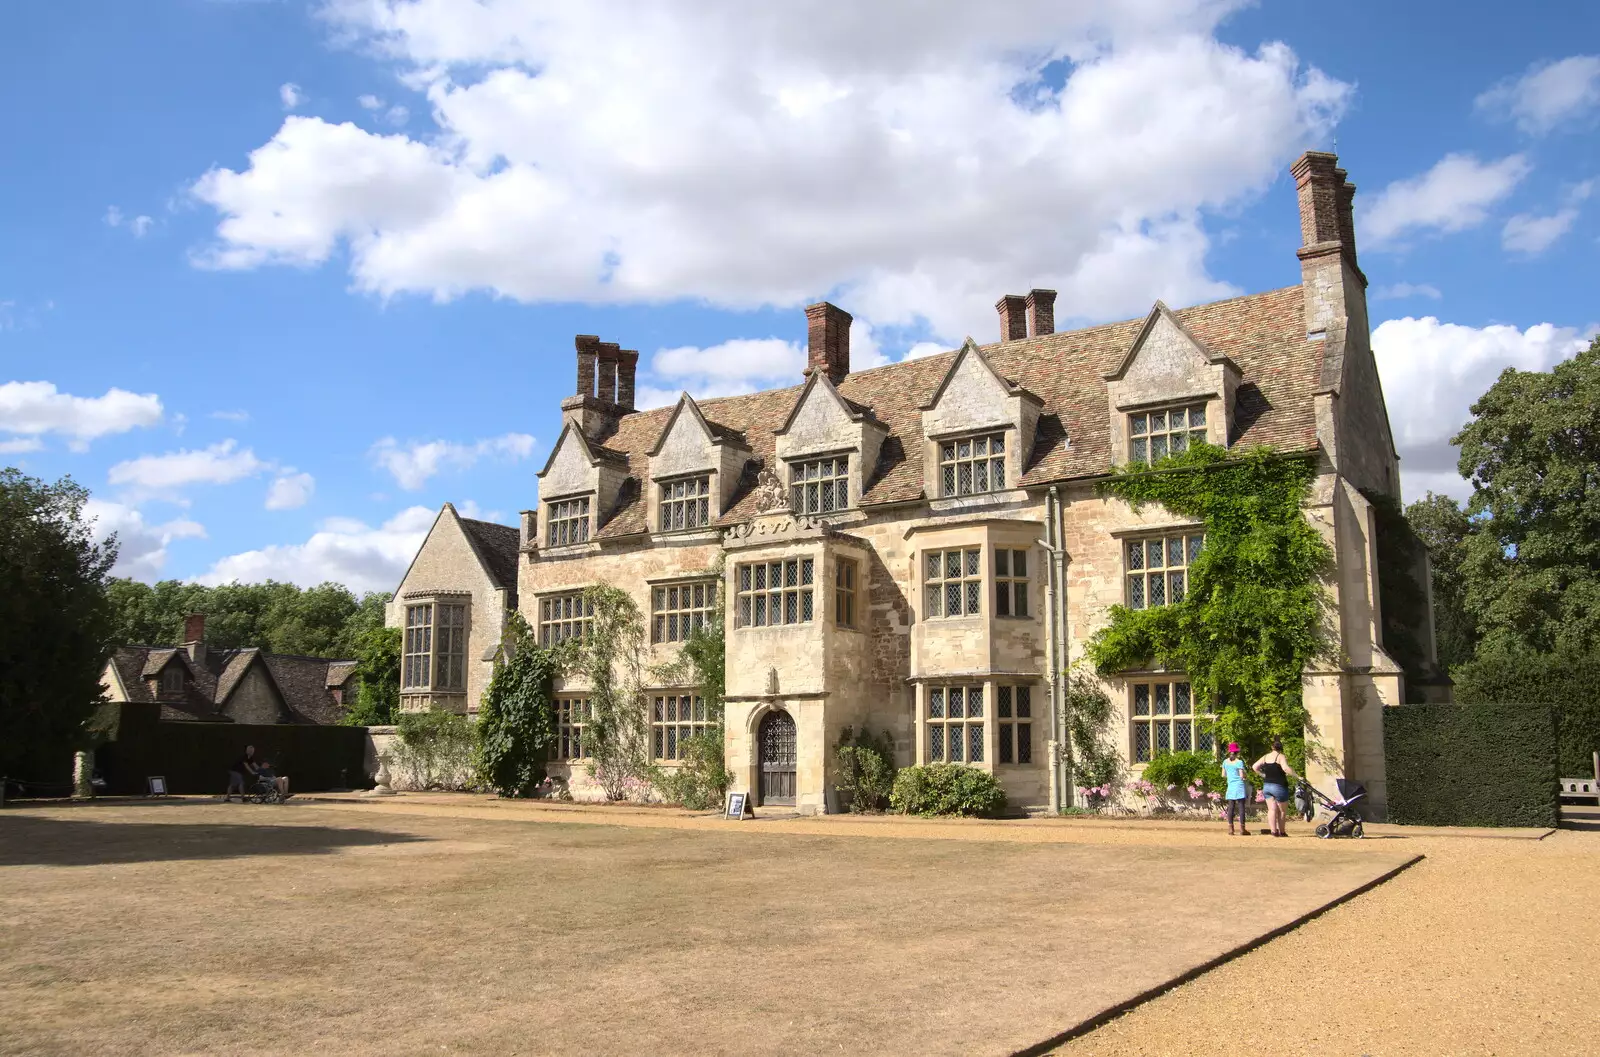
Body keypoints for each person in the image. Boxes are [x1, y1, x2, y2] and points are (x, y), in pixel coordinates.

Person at [1253, 739, 1300, 837]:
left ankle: (1273, 831)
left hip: (1267, 786)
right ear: (1281, 748)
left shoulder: (1265, 757)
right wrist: (1297, 776)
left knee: (1272, 810)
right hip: (1279, 785)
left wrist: (1262, 775)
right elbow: (1286, 768)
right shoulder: (1280, 756)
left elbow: (1254, 766)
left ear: (1272, 747)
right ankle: (1282, 832)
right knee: (1282, 811)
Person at [1222, 743, 1251, 836]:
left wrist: (1230, 776)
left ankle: (1231, 828)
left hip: (1230, 785)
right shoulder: (1239, 762)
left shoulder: (1225, 762)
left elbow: (1223, 775)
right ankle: (1242, 829)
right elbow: (1242, 776)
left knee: (1231, 807)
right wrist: (1245, 775)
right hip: (1239, 785)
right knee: (1241, 806)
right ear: (1237, 752)